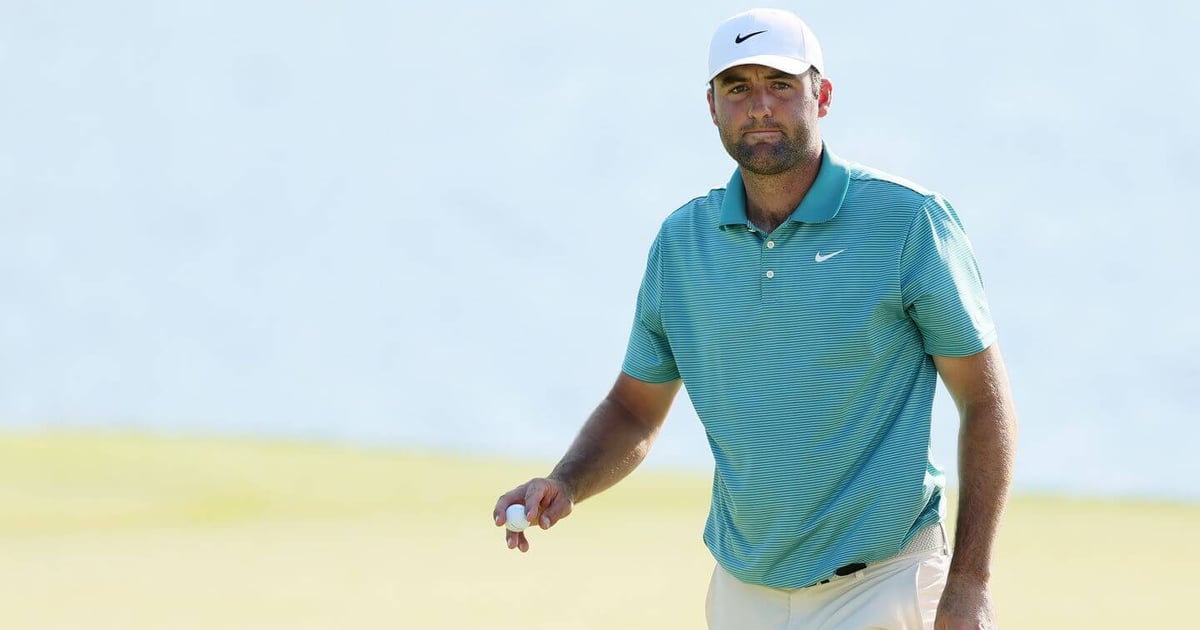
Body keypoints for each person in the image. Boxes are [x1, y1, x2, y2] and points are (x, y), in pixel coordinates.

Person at [492, 8, 1017, 630]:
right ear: (712, 107)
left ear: (822, 95)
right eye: (738, 88)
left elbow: (985, 402)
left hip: (882, 585)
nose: (760, 106)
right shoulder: (682, 242)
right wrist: (566, 482)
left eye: (781, 85)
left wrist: (971, 581)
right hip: (741, 591)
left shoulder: (909, 222)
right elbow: (635, 408)